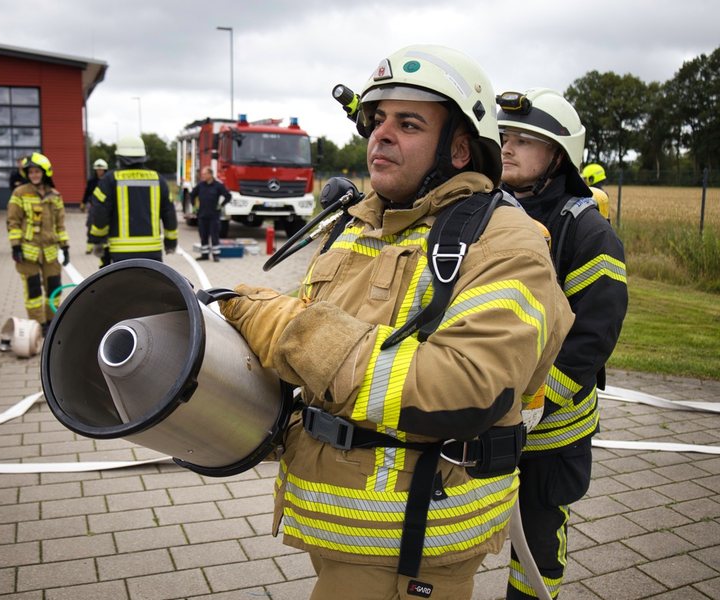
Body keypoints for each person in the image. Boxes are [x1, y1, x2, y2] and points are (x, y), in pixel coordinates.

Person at [217, 45, 574, 600]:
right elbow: (315, 346)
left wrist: (283, 326)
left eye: (408, 124)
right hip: (342, 526)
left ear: (460, 149)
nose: (380, 135)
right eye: (377, 119)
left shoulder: (506, 242)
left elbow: (463, 389)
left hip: (412, 544)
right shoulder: (361, 226)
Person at [497, 89, 628, 599]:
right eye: (504, 137)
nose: (508, 148)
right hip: (485, 420)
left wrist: (540, 398)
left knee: (536, 545)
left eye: (526, 140)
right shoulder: (483, 216)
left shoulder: (588, 232)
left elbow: (595, 332)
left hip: (550, 431)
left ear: (559, 155)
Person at [6, 153, 70, 337]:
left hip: (50, 252)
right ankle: (38, 324)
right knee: (33, 291)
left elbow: (60, 224)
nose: (34, 175)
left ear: (45, 172)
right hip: (28, 253)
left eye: (37, 171)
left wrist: (65, 247)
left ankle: (52, 322)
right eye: (31, 172)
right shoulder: (20, 193)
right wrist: (16, 246)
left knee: (54, 289)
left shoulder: (55, 195)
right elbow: (13, 222)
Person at [88, 135, 178, 264]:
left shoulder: (110, 179)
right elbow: (169, 212)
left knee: (122, 284)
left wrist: (97, 241)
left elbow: (100, 212)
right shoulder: (158, 179)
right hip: (152, 252)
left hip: (120, 252)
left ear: (119, 157)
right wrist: (171, 242)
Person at [189, 167, 230, 261]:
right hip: (202, 215)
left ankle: (216, 255)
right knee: (203, 235)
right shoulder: (200, 185)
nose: (203, 176)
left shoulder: (218, 186)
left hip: (214, 216)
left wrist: (221, 205)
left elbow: (228, 196)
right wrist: (194, 205)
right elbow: (192, 195)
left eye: (205, 174)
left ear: (210, 174)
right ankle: (204, 255)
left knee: (214, 235)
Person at [80, 158, 108, 255]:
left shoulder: (108, 181)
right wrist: (83, 202)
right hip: (94, 206)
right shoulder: (92, 181)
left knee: (105, 225)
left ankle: (104, 245)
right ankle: (89, 246)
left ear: (105, 170)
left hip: (106, 206)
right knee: (90, 225)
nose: (99, 172)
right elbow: (87, 192)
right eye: (97, 170)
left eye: (101, 170)